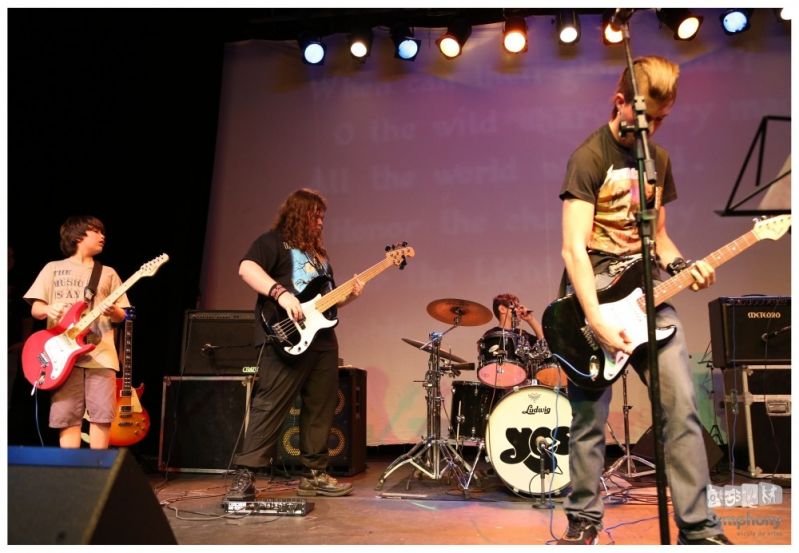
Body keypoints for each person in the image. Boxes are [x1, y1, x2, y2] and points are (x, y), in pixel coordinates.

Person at [556, 56, 730, 545]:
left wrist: (682, 267)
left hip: (648, 293)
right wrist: (594, 317)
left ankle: (699, 529)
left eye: (661, 119)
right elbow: (573, 247)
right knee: (589, 420)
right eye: (646, 116)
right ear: (620, 102)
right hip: (593, 295)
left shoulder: (659, 160)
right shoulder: (589, 157)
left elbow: (661, 239)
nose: (652, 127)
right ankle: (583, 523)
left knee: (681, 409)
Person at [226, 188, 364, 500]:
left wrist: (351, 295)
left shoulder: (320, 257)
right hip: (285, 337)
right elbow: (246, 268)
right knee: (270, 405)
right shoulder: (272, 242)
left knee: (321, 407)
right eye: (315, 216)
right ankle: (245, 475)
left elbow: (326, 304)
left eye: (323, 217)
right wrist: (280, 293)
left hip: (323, 341)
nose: (320, 222)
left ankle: (314, 474)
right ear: (299, 214)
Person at [23, 215, 129, 449]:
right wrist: (49, 308)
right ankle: (71, 473)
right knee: (67, 416)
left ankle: (97, 474)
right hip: (60, 356)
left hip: (100, 354)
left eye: (103, 232)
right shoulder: (53, 269)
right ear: (78, 235)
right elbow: (36, 309)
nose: (103, 236)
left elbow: (125, 314)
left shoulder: (108, 273)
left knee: (102, 416)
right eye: (96, 231)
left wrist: (113, 311)